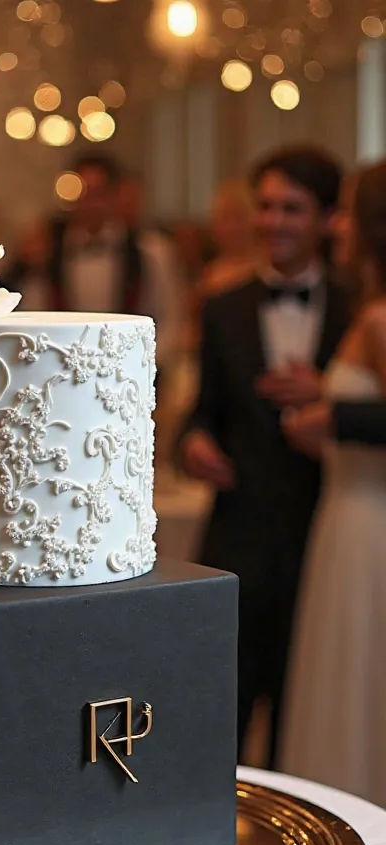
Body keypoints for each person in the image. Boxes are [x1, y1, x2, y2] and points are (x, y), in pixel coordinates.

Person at [180, 146, 350, 767]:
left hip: (324, 540)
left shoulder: (360, 307)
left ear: (330, 219)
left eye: (293, 209)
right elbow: (203, 411)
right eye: (267, 206)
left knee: (305, 715)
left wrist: (329, 395)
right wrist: (192, 444)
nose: (274, 221)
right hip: (239, 539)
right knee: (220, 708)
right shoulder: (222, 308)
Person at [280, 162, 386, 804]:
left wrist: (332, 417)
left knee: (359, 678)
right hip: (343, 513)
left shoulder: (379, 318)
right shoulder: (368, 310)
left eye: (346, 210)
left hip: (368, 520)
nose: (337, 224)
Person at [47, 156, 189, 363]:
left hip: (131, 369)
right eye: (82, 194)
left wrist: (144, 363)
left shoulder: (149, 250)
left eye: (98, 194)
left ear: (115, 195)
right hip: (65, 368)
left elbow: (171, 318)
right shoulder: (51, 251)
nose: (90, 204)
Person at [199, 180, 257, 300]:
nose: (230, 227)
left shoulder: (265, 271)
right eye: (222, 218)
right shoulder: (210, 270)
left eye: (238, 218)